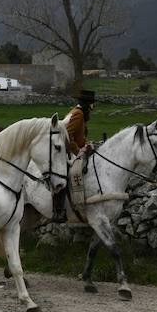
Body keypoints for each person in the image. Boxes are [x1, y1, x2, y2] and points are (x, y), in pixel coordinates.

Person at [52, 89, 96, 222]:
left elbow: (79, 136)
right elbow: (67, 135)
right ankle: (59, 211)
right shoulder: (78, 115)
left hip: (71, 150)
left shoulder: (78, 112)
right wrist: (79, 151)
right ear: (88, 104)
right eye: (92, 104)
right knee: (64, 176)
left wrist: (86, 145)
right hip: (67, 152)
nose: (93, 108)